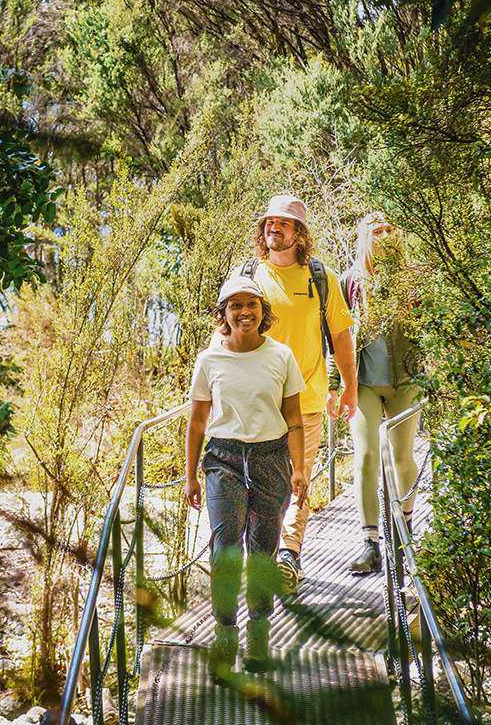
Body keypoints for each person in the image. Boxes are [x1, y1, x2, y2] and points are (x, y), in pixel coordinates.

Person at [227, 194, 357, 598]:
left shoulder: (321, 279)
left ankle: (288, 557)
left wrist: (349, 386)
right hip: (254, 402)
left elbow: (340, 336)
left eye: (283, 224)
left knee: (298, 481)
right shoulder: (249, 275)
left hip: (307, 399)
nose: (273, 229)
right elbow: (227, 331)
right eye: (268, 222)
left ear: (299, 233)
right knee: (259, 484)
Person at [185, 275, 309, 673]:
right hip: (223, 459)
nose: (244, 312)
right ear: (223, 313)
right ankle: (225, 633)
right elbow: (197, 422)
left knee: (263, 548)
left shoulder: (281, 356)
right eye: (235, 305)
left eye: (251, 304)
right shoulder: (209, 360)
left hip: (272, 458)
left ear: (263, 311)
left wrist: (300, 469)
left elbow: (293, 418)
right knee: (225, 549)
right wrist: (190, 475)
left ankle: (258, 632)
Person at [337, 211, 422, 575]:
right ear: (365, 239)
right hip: (364, 383)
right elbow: (335, 339)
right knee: (367, 456)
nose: (385, 235)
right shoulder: (349, 283)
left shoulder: (414, 279)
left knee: (402, 458)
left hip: (406, 381)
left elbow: (433, 327)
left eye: (390, 229)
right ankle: (370, 544)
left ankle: (404, 535)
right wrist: (334, 385)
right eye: (377, 231)